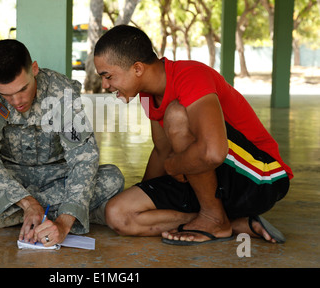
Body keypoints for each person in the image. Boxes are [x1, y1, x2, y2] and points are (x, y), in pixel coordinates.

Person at [93, 25, 292, 245]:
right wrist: (146, 194)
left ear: (138, 68)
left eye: (108, 76)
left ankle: (213, 217)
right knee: (119, 214)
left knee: (177, 114)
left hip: (261, 176)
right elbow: (162, 152)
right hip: (207, 178)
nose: (105, 85)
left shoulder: (190, 75)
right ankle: (229, 223)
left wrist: (174, 167)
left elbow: (213, 153)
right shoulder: (148, 96)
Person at [0, 39, 124, 246]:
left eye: (23, 89)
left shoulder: (60, 91)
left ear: (34, 69)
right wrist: (27, 202)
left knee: (112, 178)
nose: (16, 101)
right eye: (7, 95)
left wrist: (64, 224)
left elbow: (83, 156)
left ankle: (3, 216)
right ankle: (61, 213)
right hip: (12, 175)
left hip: (58, 176)